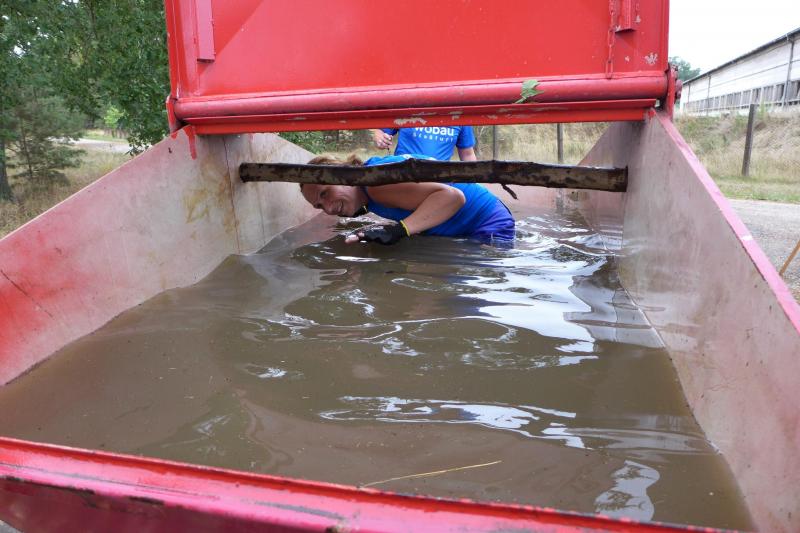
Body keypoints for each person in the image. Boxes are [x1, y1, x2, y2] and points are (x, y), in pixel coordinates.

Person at [300, 154, 514, 245]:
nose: (328, 209)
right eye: (319, 206)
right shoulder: (369, 183)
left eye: (324, 193)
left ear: (342, 174)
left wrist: (398, 230)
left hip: (489, 226)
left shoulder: (376, 185)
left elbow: (453, 197)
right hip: (477, 223)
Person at [372, 126, 477, 161]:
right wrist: (380, 138)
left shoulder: (458, 113)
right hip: (402, 175)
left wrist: (474, 181)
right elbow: (379, 131)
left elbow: (467, 154)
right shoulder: (407, 104)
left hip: (440, 180)